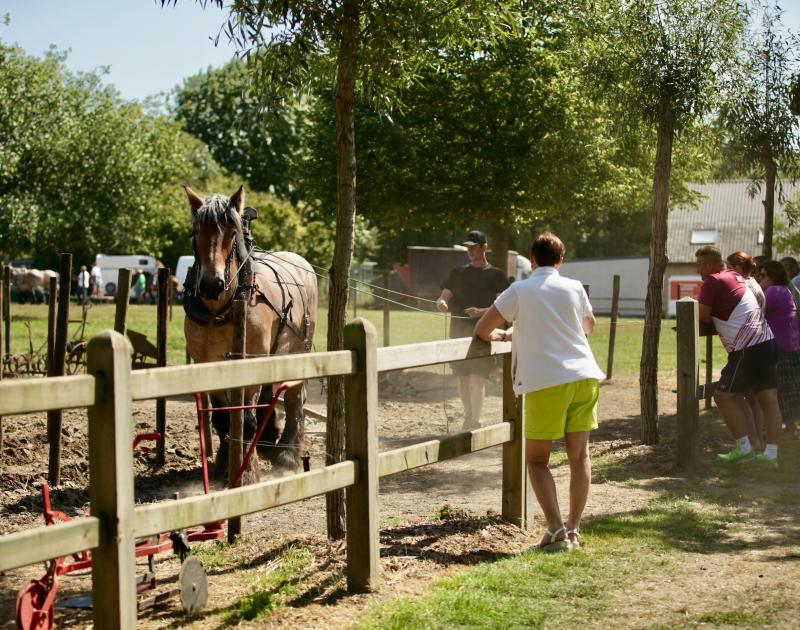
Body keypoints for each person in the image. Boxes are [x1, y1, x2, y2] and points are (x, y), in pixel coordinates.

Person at [476, 232, 604, 552]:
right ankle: (573, 529)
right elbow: (589, 326)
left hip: (548, 382)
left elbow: (481, 329)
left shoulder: (519, 289)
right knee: (579, 457)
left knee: (536, 461)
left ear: (531, 259)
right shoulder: (574, 287)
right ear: (561, 261)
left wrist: (508, 335)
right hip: (585, 377)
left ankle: (556, 529)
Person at [695, 246, 782, 468]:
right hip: (768, 342)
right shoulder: (738, 276)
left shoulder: (713, 281)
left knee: (723, 396)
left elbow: (702, 316)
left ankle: (743, 448)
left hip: (747, 348)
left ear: (708, 266)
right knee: (768, 400)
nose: (697, 270)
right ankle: (770, 455)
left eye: (698, 265)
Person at [436, 230, 509, 431]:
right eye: (467, 247)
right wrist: (441, 302)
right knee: (462, 377)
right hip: (457, 334)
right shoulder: (457, 273)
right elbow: (444, 296)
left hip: (483, 334)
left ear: (484, 247)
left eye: (473, 247)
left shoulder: (497, 275)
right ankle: (468, 416)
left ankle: (475, 420)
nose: (469, 251)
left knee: (477, 378)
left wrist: (482, 312)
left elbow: (503, 305)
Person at [725, 251, 765, 450]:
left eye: (728, 266)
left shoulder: (743, 286)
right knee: (753, 397)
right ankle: (757, 440)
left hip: (748, 347)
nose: (726, 271)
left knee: (741, 397)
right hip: (759, 344)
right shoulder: (755, 284)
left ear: (738, 268)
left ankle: (751, 443)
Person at [758, 260, 800, 438]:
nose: (760, 279)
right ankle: (789, 428)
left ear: (772, 276)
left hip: (779, 347)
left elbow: (758, 312)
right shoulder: (785, 290)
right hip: (791, 345)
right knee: (788, 388)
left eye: (762, 275)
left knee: (777, 390)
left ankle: (780, 429)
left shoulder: (773, 291)